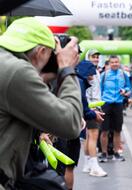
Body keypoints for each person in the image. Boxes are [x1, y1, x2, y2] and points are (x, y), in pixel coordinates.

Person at [0, 17, 82, 189]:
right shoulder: (17, 71)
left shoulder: (6, 63)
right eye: (52, 55)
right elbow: (71, 124)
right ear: (41, 52)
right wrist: (66, 69)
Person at [76, 60, 107, 177]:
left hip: (88, 109)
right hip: (91, 107)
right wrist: (94, 111)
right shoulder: (82, 81)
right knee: (93, 137)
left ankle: (88, 163)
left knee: (88, 138)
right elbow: (88, 98)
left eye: (97, 56)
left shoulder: (78, 79)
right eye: (93, 56)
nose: (92, 76)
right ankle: (93, 166)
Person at [99, 55, 131, 162]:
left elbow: (129, 87)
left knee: (118, 130)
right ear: (109, 63)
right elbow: (99, 90)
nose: (114, 64)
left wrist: (125, 91)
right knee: (104, 131)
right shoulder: (104, 75)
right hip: (106, 104)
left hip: (118, 104)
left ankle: (117, 152)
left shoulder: (123, 74)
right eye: (112, 62)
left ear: (119, 63)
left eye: (116, 62)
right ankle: (104, 153)